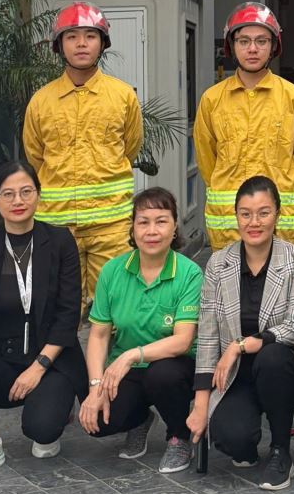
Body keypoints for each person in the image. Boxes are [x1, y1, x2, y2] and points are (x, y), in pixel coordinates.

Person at [0, 161, 87, 478]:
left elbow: (68, 315)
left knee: (42, 432)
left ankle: (57, 412)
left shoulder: (59, 242)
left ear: (38, 195)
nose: (18, 200)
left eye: (26, 191)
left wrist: (37, 368)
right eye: (8, 194)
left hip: (50, 361)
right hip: (2, 360)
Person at [187, 175, 294, 491]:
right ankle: (247, 439)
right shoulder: (218, 264)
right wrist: (200, 405)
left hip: (279, 368)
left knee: (272, 356)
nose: (254, 222)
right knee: (233, 440)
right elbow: (208, 336)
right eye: (245, 214)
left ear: (277, 214)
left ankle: (281, 451)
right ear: (236, 216)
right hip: (236, 375)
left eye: (263, 213)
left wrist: (241, 345)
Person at [23, 1, 143, 310]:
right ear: (59, 45)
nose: (81, 43)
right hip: (57, 226)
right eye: (72, 36)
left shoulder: (123, 96)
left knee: (116, 309)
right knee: (59, 311)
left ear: (102, 43)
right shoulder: (41, 101)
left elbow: (130, 148)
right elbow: (36, 157)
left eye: (90, 36)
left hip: (111, 224)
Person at [79, 187, 202, 474]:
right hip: (128, 369)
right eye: (143, 222)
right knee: (98, 422)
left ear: (175, 227)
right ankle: (140, 420)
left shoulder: (189, 273)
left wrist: (132, 355)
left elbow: (183, 340)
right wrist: (95, 387)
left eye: (161, 221)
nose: (152, 231)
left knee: (163, 375)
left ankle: (179, 436)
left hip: (174, 366)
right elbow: (98, 335)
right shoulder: (112, 271)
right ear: (133, 229)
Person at [193, 2, 294, 250]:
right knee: (231, 276)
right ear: (232, 46)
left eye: (261, 41)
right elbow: (207, 159)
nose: (252, 49)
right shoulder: (212, 99)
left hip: (281, 219)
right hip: (228, 220)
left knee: (281, 275)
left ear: (273, 46)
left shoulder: (293, 97)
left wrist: (289, 183)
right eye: (244, 41)